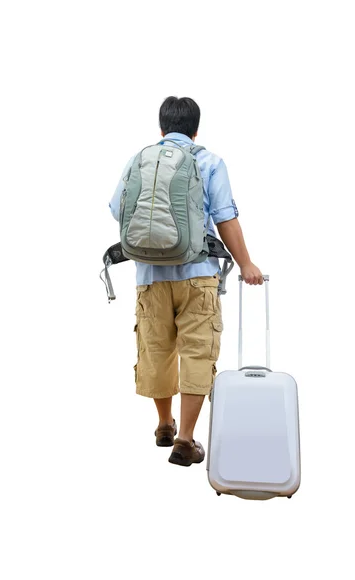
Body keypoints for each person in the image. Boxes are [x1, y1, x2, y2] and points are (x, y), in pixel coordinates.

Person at [109, 96, 263, 467]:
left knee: (156, 350)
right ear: (196, 129)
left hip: (149, 277)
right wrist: (246, 264)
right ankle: (185, 440)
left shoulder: (138, 161)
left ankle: (163, 424)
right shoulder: (208, 161)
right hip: (198, 275)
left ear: (161, 129)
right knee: (197, 351)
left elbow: (117, 209)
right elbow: (225, 218)